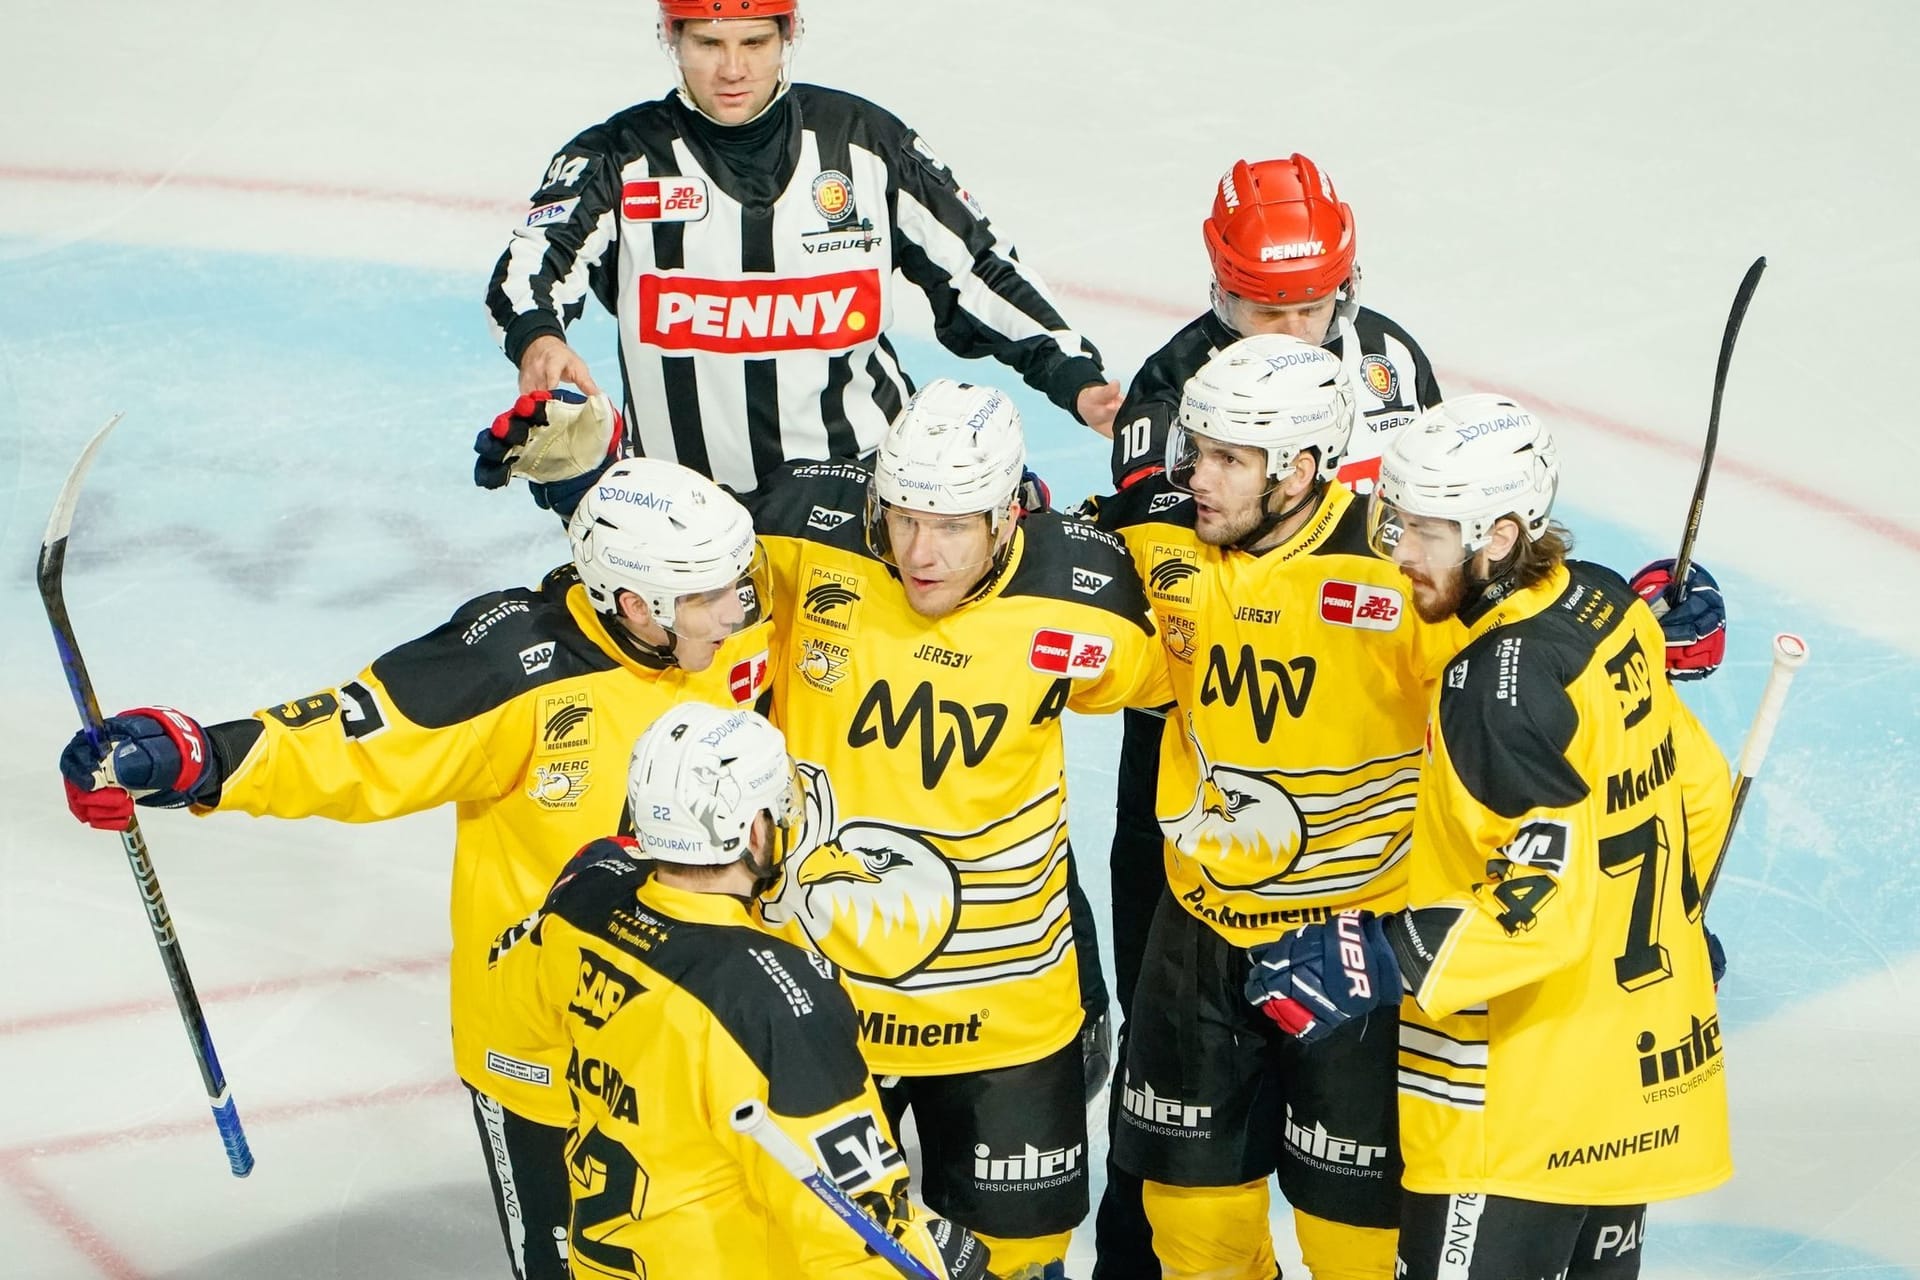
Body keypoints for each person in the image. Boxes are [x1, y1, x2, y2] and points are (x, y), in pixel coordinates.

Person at [57, 459, 777, 1280]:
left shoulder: (729, 621)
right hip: (548, 1054)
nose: (738, 612)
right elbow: (348, 740)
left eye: (736, 588)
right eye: (711, 597)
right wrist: (199, 756)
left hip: (709, 1031)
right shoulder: (510, 668)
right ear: (633, 604)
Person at [1245, 395, 1735, 1280]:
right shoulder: (1606, 607)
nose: (1398, 552)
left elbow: (1542, 904)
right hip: (1626, 1079)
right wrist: (1678, 922)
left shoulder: (1486, 691)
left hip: (1512, 1112)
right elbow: (1689, 789)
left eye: (1425, 533)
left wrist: (1381, 955)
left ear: (1500, 536)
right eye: (1395, 523)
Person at [1090, 156, 1444, 1279]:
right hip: (1214, 737)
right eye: (1261, 306)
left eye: (1310, 304)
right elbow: (1180, 588)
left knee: (1366, 1194)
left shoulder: (1391, 357)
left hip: (1362, 752)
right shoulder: (1169, 394)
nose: (1289, 327)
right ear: (1216, 290)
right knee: (1179, 1086)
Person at [744, 378, 1175, 1279]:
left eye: (950, 526)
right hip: (823, 1006)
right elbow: (663, 584)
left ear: (1011, 515)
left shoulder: (1086, 593)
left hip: (1005, 1024)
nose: (919, 552)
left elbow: (1203, 678)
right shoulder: (801, 528)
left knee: (1013, 1267)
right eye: (901, 518)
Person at [482, 0, 1122, 500]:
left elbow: (977, 268)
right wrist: (540, 336)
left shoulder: (865, 142)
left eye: (754, 42)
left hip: (866, 490)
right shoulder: (616, 156)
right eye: (708, 43)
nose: (732, 69)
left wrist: (1076, 378)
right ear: (670, 37)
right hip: (685, 507)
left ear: (789, 36)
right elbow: (533, 263)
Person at [483, 702, 991, 1279]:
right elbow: (860, 1237)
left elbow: (510, 1018)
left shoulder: (585, 900)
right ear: (755, 829)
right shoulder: (774, 998)